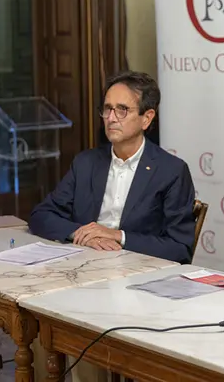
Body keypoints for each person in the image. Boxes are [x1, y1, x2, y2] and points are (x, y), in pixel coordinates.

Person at [28, 71, 196, 264]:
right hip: (83, 264)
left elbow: (179, 248)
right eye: (107, 109)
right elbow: (41, 215)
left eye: (122, 109)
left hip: (138, 273)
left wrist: (118, 236)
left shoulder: (171, 171)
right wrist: (82, 234)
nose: (111, 118)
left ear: (146, 118)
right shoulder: (86, 163)